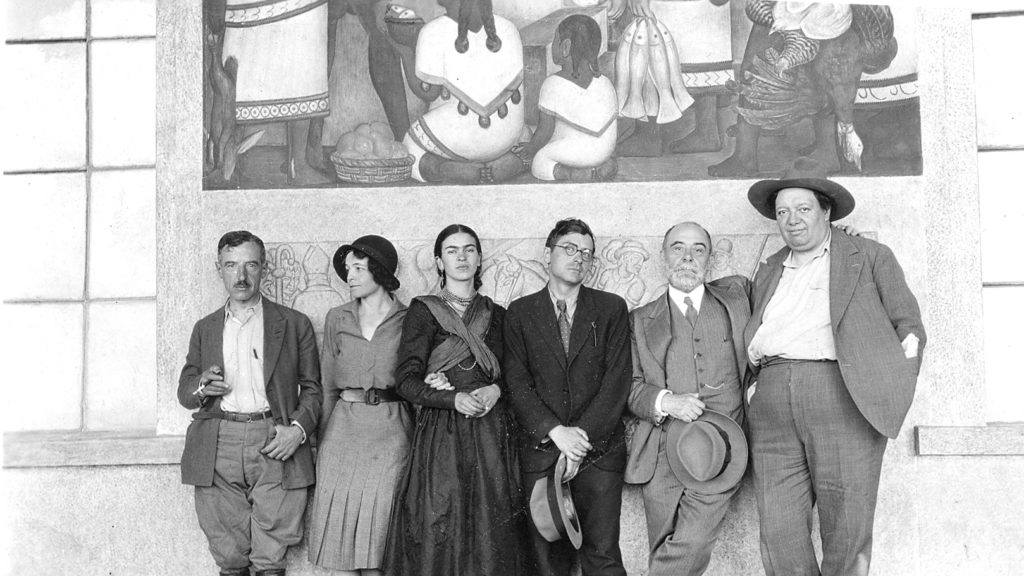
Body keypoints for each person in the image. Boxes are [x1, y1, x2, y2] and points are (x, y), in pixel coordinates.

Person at [743, 159, 926, 576]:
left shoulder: (869, 256)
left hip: (842, 393)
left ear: (826, 212)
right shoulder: (769, 268)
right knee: (778, 530)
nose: (792, 220)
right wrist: (755, 389)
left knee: (846, 525)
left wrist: (886, 390)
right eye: (783, 212)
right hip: (772, 400)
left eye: (803, 209)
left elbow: (909, 329)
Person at [384, 224, 528, 575]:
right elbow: (405, 380)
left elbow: (516, 377)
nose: (461, 257)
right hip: (442, 434)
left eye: (469, 249)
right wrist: (451, 399)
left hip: (490, 433)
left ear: (479, 259)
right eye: (452, 250)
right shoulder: (423, 311)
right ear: (439, 261)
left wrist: (496, 390)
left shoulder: (498, 315)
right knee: (439, 517)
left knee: (491, 522)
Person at [178, 230, 321, 576]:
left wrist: (297, 431)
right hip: (219, 442)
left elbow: (314, 390)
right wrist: (202, 387)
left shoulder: (293, 323)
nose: (240, 277)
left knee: (271, 556)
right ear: (219, 269)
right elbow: (185, 391)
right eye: (231, 266)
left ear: (264, 268)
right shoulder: (205, 327)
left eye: (250, 265)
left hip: (274, 439)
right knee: (228, 554)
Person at [503, 218, 632, 576]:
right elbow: (516, 382)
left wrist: (579, 442)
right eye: (570, 249)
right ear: (548, 255)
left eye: (587, 253)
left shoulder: (611, 308)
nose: (579, 258)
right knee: (546, 561)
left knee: (602, 555)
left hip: (599, 452)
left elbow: (616, 381)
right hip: (542, 453)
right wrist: (556, 433)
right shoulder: (520, 312)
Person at [625, 222, 751, 576]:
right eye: (677, 248)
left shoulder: (738, 298)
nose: (687, 257)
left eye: (698, 249)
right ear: (663, 256)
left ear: (709, 259)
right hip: (662, 451)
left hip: (723, 448)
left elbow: (784, 280)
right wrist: (666, 401)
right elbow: (629, 387)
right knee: (664, 549)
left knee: (688, 544)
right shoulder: (639, 319)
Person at [307, 235, 411, 575]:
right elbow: (326, 385)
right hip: (342, 433)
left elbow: (417, 383)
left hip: (392, 431)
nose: (349, 276)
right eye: (347, 269)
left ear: (379, 272)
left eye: (358, 268)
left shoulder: (409, 319)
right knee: (344, 543)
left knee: (379, 539)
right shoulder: (337, 317)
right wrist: (321, 443)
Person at [521, 14, 618, 182]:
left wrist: (529, 149)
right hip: (605, 151)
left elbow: (544, 132)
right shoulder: (606, 82)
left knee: (539, 162)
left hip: (576, 154)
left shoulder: (552, 84)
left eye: (555, 40)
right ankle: (602, 168)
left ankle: (573, 174)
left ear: (565, 47)